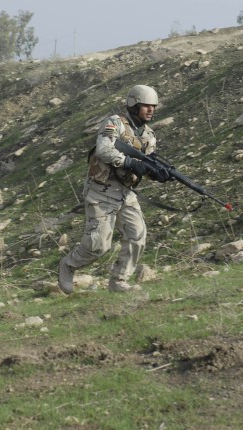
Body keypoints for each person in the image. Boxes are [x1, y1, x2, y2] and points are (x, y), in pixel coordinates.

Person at [58, 84, 170, 294]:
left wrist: (156, 173)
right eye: (146, 106)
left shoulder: (149, 135)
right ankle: (68, 265)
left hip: (126, 192)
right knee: (98, 245)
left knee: (137, 235)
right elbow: (103, 150)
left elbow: (147, 162)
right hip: (101, 190)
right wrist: (128, 162)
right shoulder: (115, 123)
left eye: (153, 106)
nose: (151, 110)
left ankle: (119, 280)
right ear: (133, 104)